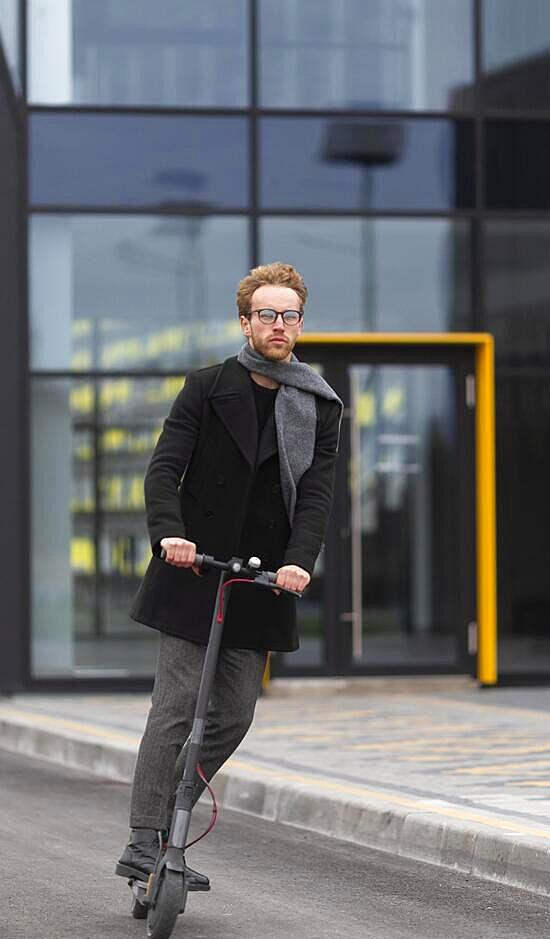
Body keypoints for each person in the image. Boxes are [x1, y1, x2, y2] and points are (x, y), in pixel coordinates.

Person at [116, 262, 342, 889]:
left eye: (288, 315)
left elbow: (317, 494)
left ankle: (169, 814)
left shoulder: (319, 405)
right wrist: (169, 535)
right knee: (176, 705)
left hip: (264, 578)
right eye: (266, 314)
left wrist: (300, 561)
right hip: (192, 567)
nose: (278, 325)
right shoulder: (207, 385)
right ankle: (143, 841)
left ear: (300, 324)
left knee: (236, 712)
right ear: (245, 322)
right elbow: (164, 470)